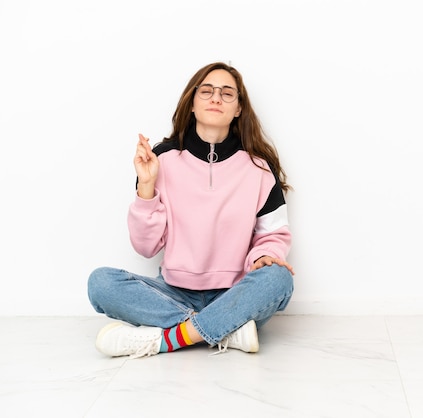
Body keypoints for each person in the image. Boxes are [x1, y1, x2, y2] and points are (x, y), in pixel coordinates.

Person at [87, 62, 295, 358]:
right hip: (173, 291)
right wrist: (146, 187)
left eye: (227, 93)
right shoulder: (162, 160)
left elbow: (273, 235)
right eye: (207, 91)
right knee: (101, 283)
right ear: (193, 102)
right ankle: (226, 330)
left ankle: (167, 340)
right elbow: (146, 247)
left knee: (279, 279)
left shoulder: (259, 169)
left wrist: (264, 257)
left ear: (238, 108)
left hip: (234, 294)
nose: (215, 98)